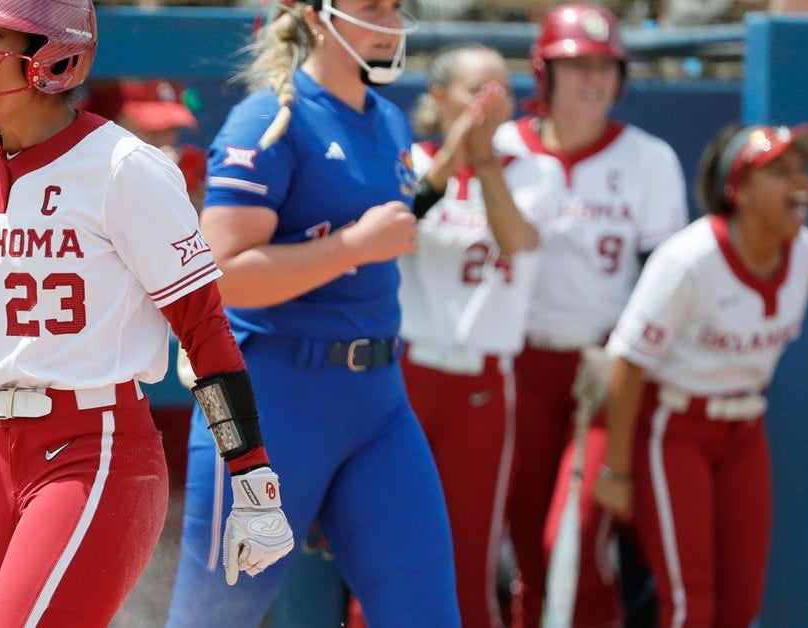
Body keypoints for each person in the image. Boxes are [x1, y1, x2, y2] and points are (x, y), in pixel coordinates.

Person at [0, 1, 293, 626]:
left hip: (97, 447)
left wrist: (252, 477)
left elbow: (203, 327)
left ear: (56, 55)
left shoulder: (124, 167)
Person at [165, 0, 462, 626]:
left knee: (427, 614)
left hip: (379, 403)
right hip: (271, 405)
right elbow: (216, 276)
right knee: (212, 619)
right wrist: (351, 246)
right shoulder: (267, 120)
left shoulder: (389, 121)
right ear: (315, 16)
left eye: (394, 6)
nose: (388, 18)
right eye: (370, 6)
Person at [492, 4, 690, 626]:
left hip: (603, 373)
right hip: (514, 365)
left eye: (606, 66)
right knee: (527, 547)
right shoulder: (502, 148)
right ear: (543, 72)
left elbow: (667, 281)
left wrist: (624, 358)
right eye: (577, 65)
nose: (594, 79)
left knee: (571, 541)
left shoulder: (649, 158)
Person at [593, 122, 808, 627]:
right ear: (737, 190)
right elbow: (629, 362)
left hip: (745, 428)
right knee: (688, 603)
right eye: (780, 172)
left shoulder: (804, 251)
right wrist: (616, 470)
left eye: (802, 171)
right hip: (674, 428)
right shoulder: (689, 258)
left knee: (742, 604)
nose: (800, 183)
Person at [397, 43, 558, 628]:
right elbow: (399, 218)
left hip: (483, 381)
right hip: (407, 374)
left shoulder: (537, 169)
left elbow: (517, 240)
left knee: (468, 555)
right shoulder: (409, 157)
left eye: (502, 91)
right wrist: (456, 150)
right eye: (475, 90)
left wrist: (484, 159)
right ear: (438, 98)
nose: (491, 105)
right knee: (390, 549)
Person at [83, 79, 208, 212]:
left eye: (171, 128)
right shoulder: (89, 164)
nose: (162, 139)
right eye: (151, 129)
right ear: (117, 120)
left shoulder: (199, 169)